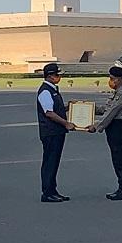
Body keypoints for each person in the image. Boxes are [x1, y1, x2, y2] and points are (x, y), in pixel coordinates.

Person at [87, 66, 122, 201]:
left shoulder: (121, 94)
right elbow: (105, 109)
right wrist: (87, 108)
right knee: (116, 157)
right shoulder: (115, 93)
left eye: (112, 79)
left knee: (121, 158)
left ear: (119, 80)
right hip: (113, 127)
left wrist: (96, 126)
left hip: (119, 126)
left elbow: (111, 113)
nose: (110, 81)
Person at [37, 63, 75, 203]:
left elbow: (54, 109)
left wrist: (68, 107)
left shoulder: (52, 90)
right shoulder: (46, 91)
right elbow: (49, 113)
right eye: (57, 75)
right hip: (51, 132)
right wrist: (66, 123)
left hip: (56, 131)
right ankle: (47, 192)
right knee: (50, 162)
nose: (59, 77)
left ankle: (52, 190)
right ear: (50, 76)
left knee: (53, 162)